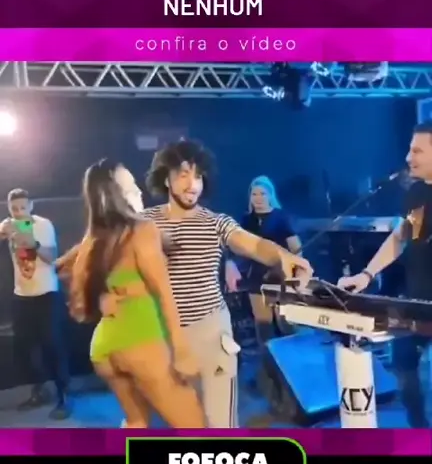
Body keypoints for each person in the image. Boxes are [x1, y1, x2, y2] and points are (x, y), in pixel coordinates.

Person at [143, 139, 313, 427]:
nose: (192, 184)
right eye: (183, 175)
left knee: (222, 424)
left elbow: (252, 244)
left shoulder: (216, 222)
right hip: (166, 334)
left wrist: (283, 257)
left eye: (198, 176)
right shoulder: (146, 222)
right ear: (166, 179)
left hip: (213, 331)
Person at [56, 159, 206, 429]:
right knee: (195, 430)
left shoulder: (94, 238)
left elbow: (60, 269)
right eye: (130, 185)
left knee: (136, 423)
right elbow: (164, 292)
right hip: (142, 341)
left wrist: (101, 295)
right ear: (115, 194)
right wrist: (182, 351)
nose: (138, 190)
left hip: (105, 348)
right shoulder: (142, 230)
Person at [337, 121, 432, 428]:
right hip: (416, 309)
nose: (408, 157)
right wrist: (366, 274)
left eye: (417, 151)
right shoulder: (417, 192)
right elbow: (401, 236)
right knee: (408, 384)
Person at [0, 189, 70, 419]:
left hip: (46, 293)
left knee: (52, 345)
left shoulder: (42, 225)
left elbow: (52, 257)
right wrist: (4, 232)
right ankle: (38, 390)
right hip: (21, 295)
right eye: (14, 209)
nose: (19, 212)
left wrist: (34, 244)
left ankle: (63, 396)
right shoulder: (9, 225)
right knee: (22, 347)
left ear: (31, 206)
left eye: (23, 207)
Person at [236, 175, 302, 346]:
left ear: (270, 195)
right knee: (263, 326)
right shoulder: (246, 220)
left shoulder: (281, 217)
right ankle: (267, 360)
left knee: (286, 324)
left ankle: (292, 357)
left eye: (262, 194)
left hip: (281, 277)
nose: (258, 198)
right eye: (254, 194)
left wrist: (296, 274)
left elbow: (296, 248)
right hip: (255, 277)